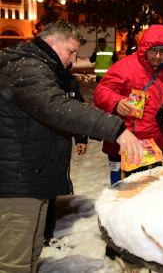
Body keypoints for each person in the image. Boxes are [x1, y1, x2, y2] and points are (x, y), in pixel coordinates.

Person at [0, 20, 143, 273]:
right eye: (71, 51)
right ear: (51, 42)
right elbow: (56, 107)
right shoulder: (27, 68)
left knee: (30, 254)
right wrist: (115, 129)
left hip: (32, 179)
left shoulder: (45, 69)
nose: (73, 59)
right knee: (13, 262)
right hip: (17, 183)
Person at [94, 25, 163, 185]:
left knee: (151, 193)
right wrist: (116, 102)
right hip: (126, 145)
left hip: (157, 147)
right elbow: (101, 91)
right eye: (153, 51)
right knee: (123, 193)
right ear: (144, 49)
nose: (158, 56)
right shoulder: (125, 67)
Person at [43, 63, 88, 246]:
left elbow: (77, 110)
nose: (72, 60)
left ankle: (47, 232)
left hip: (61, 143)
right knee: (38, 190)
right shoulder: (38, 79)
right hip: (36, 145)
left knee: (53, 187)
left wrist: (81, 138)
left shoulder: (69, 81)